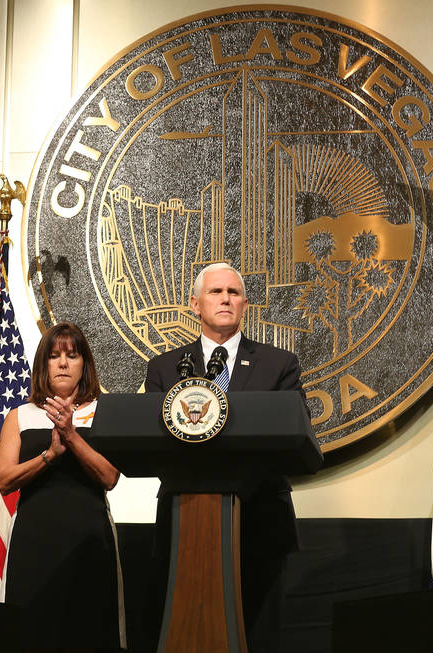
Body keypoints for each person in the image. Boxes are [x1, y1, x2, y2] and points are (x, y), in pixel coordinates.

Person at [145, 262, 306, 653]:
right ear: (195, 304)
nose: (225, 299)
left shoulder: (279, 365)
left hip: (260, 522)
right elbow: (152, 440)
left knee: (258, 638)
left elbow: (293, 434)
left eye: (233, 293)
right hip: (184, 522)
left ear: (245, 305)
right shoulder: (165, 368)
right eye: (215, 292)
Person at [0, 322, 125, 652]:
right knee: (32, 634)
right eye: (54, 356)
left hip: (90, 540)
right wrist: (50, 455)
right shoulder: (20, 415)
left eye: (72, 355)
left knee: (91, 633)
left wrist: (70, 435)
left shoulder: (104, 411)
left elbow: (110, 477)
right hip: (34, 541)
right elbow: (5, 480)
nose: (63, 363)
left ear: (84, 364)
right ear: (44, 365)